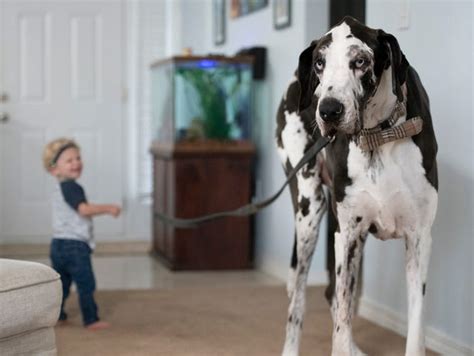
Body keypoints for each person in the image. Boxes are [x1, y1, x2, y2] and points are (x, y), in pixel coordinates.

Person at [42, 138, 121, 330]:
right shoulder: (71, 186)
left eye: (78, 158)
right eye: (69, 160)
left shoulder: (59, 188)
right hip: (74, 246)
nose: (76, 163)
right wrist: (108, 208)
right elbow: (83, 210)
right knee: (86, 283)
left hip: (58, 244)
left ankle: (58, 316)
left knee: (62, 284)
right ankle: (91, 319)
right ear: (54, 169)